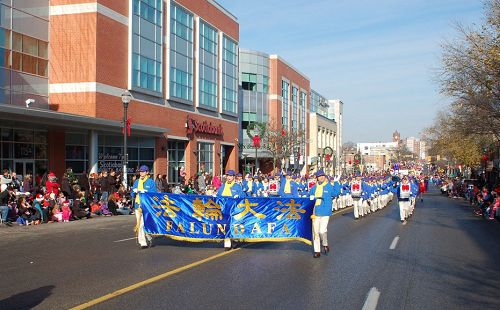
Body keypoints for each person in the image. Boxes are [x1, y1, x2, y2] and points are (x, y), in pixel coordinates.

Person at [309, 170, 336, 258]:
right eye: (319, 176)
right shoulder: (313, 188)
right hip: (315, 211)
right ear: (317, 178)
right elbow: (309, 198)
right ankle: (317, 251)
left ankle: (325, 243)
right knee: (315, 232)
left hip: (325, 211)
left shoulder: (329, 186)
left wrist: (336, 182)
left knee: (322, 231)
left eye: (323, 176)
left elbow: (336, 193)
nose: (321, 177)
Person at [217, 170, 243, 251]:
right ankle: (227, 243)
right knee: (226, 225)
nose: (229, 177)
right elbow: (218, 195)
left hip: (234, 209)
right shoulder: (223, 186)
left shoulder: (237, 186)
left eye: (231, 176)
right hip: (224, 209)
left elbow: (242, 195)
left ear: (233, 177)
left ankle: (235, 240)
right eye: (228, 175)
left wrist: (238, 196)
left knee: (234, 224)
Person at [132, 165, 156, 249]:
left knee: (145, 223)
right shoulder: (136, 182)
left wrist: (145, 192)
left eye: (143, 171)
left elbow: (153, 194)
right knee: (140, 224)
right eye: (140, 171)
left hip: (146, 206)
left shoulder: (151, 182)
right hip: (138, 205)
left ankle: (149, 237)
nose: (141, 173)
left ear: (147, 172)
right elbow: (133, 193)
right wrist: (134, 192)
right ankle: (142, 242)